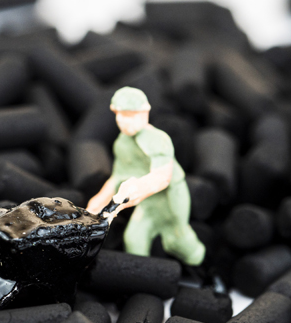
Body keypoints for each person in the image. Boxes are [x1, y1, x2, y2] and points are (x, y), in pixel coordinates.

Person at [86, 86, 205, 266]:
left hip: (172, 199)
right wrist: (96, 204)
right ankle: (143, 276)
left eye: (129, 115)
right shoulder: (122, 144)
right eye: (118, 114)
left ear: (144, 113)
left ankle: (203, 267)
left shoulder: (158, 140)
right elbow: (117, 177)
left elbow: (163, 177)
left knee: (182, 241)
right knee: (134, 239)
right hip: (149, 204)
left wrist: (137, 188)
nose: (121, 120)